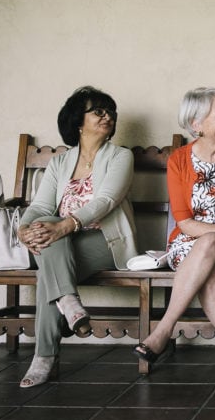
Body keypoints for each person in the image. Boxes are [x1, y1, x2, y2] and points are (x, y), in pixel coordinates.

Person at [132, 88, 215, 395]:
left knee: (207, 248)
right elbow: (184, 222)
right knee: (205, 256)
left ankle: (162, 330)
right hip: (190, 244)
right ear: (197, 124)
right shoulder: (179, 160)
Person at [17, 86, 139, 388]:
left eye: (110, 110)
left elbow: (106, 201)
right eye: (98, 110)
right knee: (46, 228)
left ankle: (45, 356)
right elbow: (41, 206)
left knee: (49, 261)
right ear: (77, 120)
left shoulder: (120, 156)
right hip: (60, 243)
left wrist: (65, 226)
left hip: (105, 241)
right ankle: (69, 302)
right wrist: (23, 230)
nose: (107, 115)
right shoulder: (60, 162)